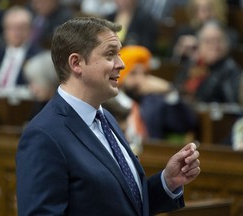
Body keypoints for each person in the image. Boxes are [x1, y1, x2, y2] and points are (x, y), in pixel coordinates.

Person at [16, 16, 200, 216]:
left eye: (119, 54)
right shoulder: (43, 136)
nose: (121, 64)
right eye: (110, 54)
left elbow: (126, 204)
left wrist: (167, 181)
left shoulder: (107, 119)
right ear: (76, 63)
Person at [118, 45, 198, 141]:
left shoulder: (154, 102)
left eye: (145, 74)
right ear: (120, 75)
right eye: (133, 73)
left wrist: (170, 92)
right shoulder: (109, 103)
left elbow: (185, 125)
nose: (141, 79)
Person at [174, 20, 243, 105]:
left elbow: (232, 105)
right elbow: (177, 92)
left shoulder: (230, 70)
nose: (215, 45)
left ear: (226, 44)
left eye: (218, 40)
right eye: (209, 41)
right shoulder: (192, 65)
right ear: (199, 45)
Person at [0, 6, 41, 99]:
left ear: (30, 30)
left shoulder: (37, 57)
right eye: (11, 28)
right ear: (4, 31)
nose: (16, 32)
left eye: (21, 28)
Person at [172, 0, 239, 63]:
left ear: (218, 10)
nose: (203, 15)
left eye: (208, 9)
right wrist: (179, 52)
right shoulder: (184, 32)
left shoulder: (230, 34)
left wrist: (199, 44)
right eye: (197, 9)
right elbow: (172, 63)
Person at [23, 51, 59, 120]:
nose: (32, 89)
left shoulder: (61, 109)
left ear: (50, 79)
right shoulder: (37, 106)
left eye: (36, 82)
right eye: (30, 82)